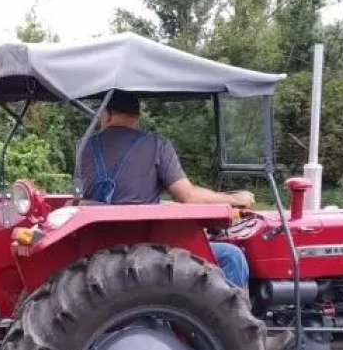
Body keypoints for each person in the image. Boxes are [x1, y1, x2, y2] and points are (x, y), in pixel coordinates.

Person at [74, 90, 254, 289]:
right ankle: (231, 318)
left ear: (106, 114)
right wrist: (234, 198)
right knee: (231, 256)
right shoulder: (157, 145)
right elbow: (188, 196)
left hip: (97, 245)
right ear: (136, 116)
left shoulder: (83, 147)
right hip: (146, 247)